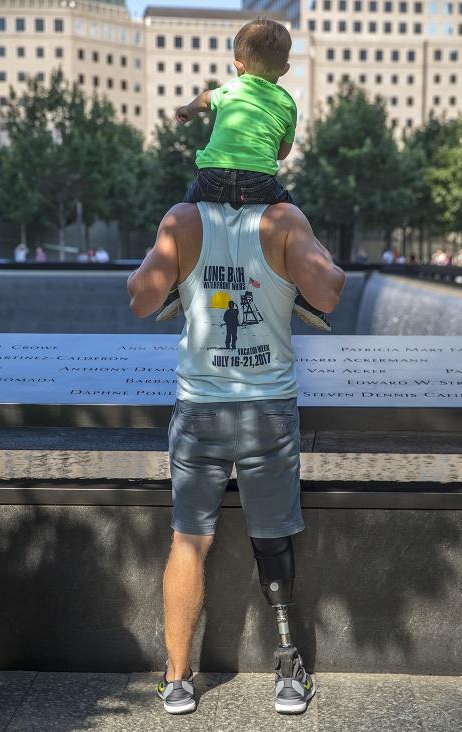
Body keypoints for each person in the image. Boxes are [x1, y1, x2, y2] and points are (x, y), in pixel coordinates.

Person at [127, 200, 345, 715]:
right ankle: (288, 668)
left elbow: (140, 299)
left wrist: (172, 262)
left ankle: (177, 678)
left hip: (200, 408)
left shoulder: (182, 221)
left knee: (188, 539)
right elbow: (329, 292)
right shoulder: (285, 222)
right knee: (272, 537)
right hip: (267, 410)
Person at [156, 17, 331, 333]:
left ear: (238, 65)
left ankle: (174, 285)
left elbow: (207, 97)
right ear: (285, 70)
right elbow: (282, 153)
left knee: (183, 213)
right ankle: (308, 297)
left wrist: (188, 109)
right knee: (297, 221)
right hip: (258, 184)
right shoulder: (287, 104)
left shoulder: (230, 88)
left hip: (212, 179)